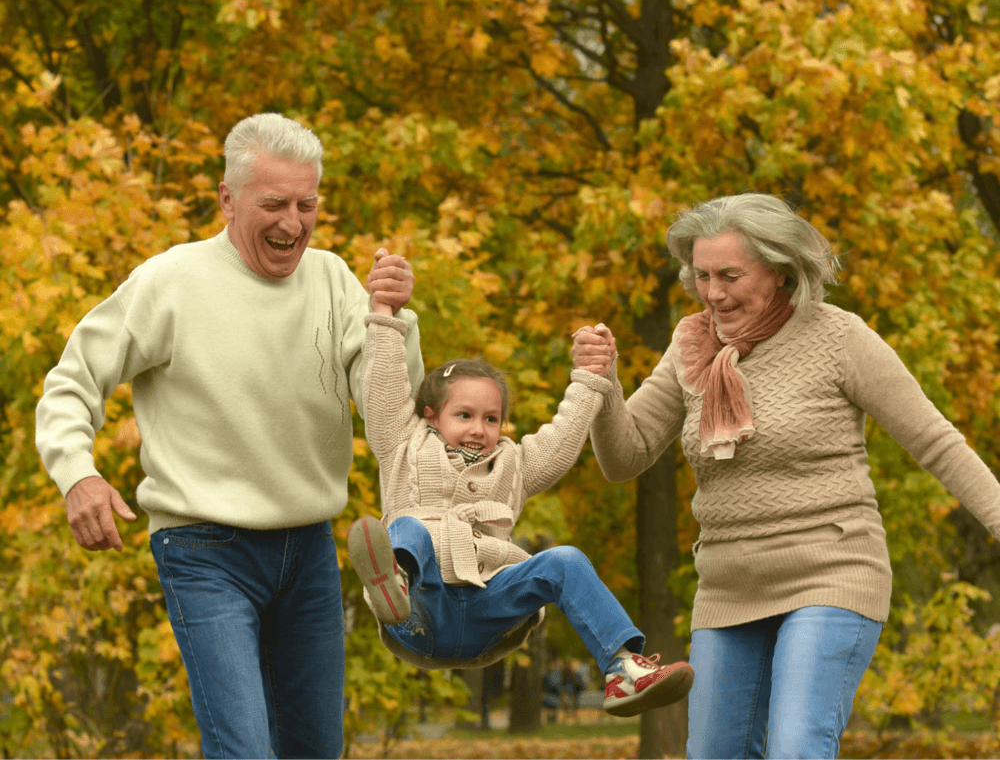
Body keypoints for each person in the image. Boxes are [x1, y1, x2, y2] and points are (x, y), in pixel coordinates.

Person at [34, 113, 424, 759]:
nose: (292, 223)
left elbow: (389, 408)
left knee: (315, 749)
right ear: (226, 199)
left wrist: (392, 320)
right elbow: (72, 381)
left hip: (307, 552)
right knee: (242, 748)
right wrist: (78, 472)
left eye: (307, 204)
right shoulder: (171, 282)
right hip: (204, 550)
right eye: (273, 204)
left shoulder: (332, 281)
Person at [572, 193, 1000, 759]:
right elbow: (626, 457)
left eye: (729, 275)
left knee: (797, 746)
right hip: (728, 586)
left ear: (778, 270)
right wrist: (602, 387)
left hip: (830, 570)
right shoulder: (691, 346)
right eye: (701, 275)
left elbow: (937, 443)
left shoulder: (838, 338)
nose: (713, 292)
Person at [347, 265, 695, 717]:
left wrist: (591, 377)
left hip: (488, 611)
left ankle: (623, 668)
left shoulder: (514, 465)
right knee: (409, 527)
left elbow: (565, 436)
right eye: (465, 416)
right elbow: (384, 387)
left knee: (565, 560)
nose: (479, 429)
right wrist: (384, 313)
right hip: (421, 616)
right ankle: (394, 584)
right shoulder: (402, 442)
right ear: (431, 415)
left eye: (491, 419)